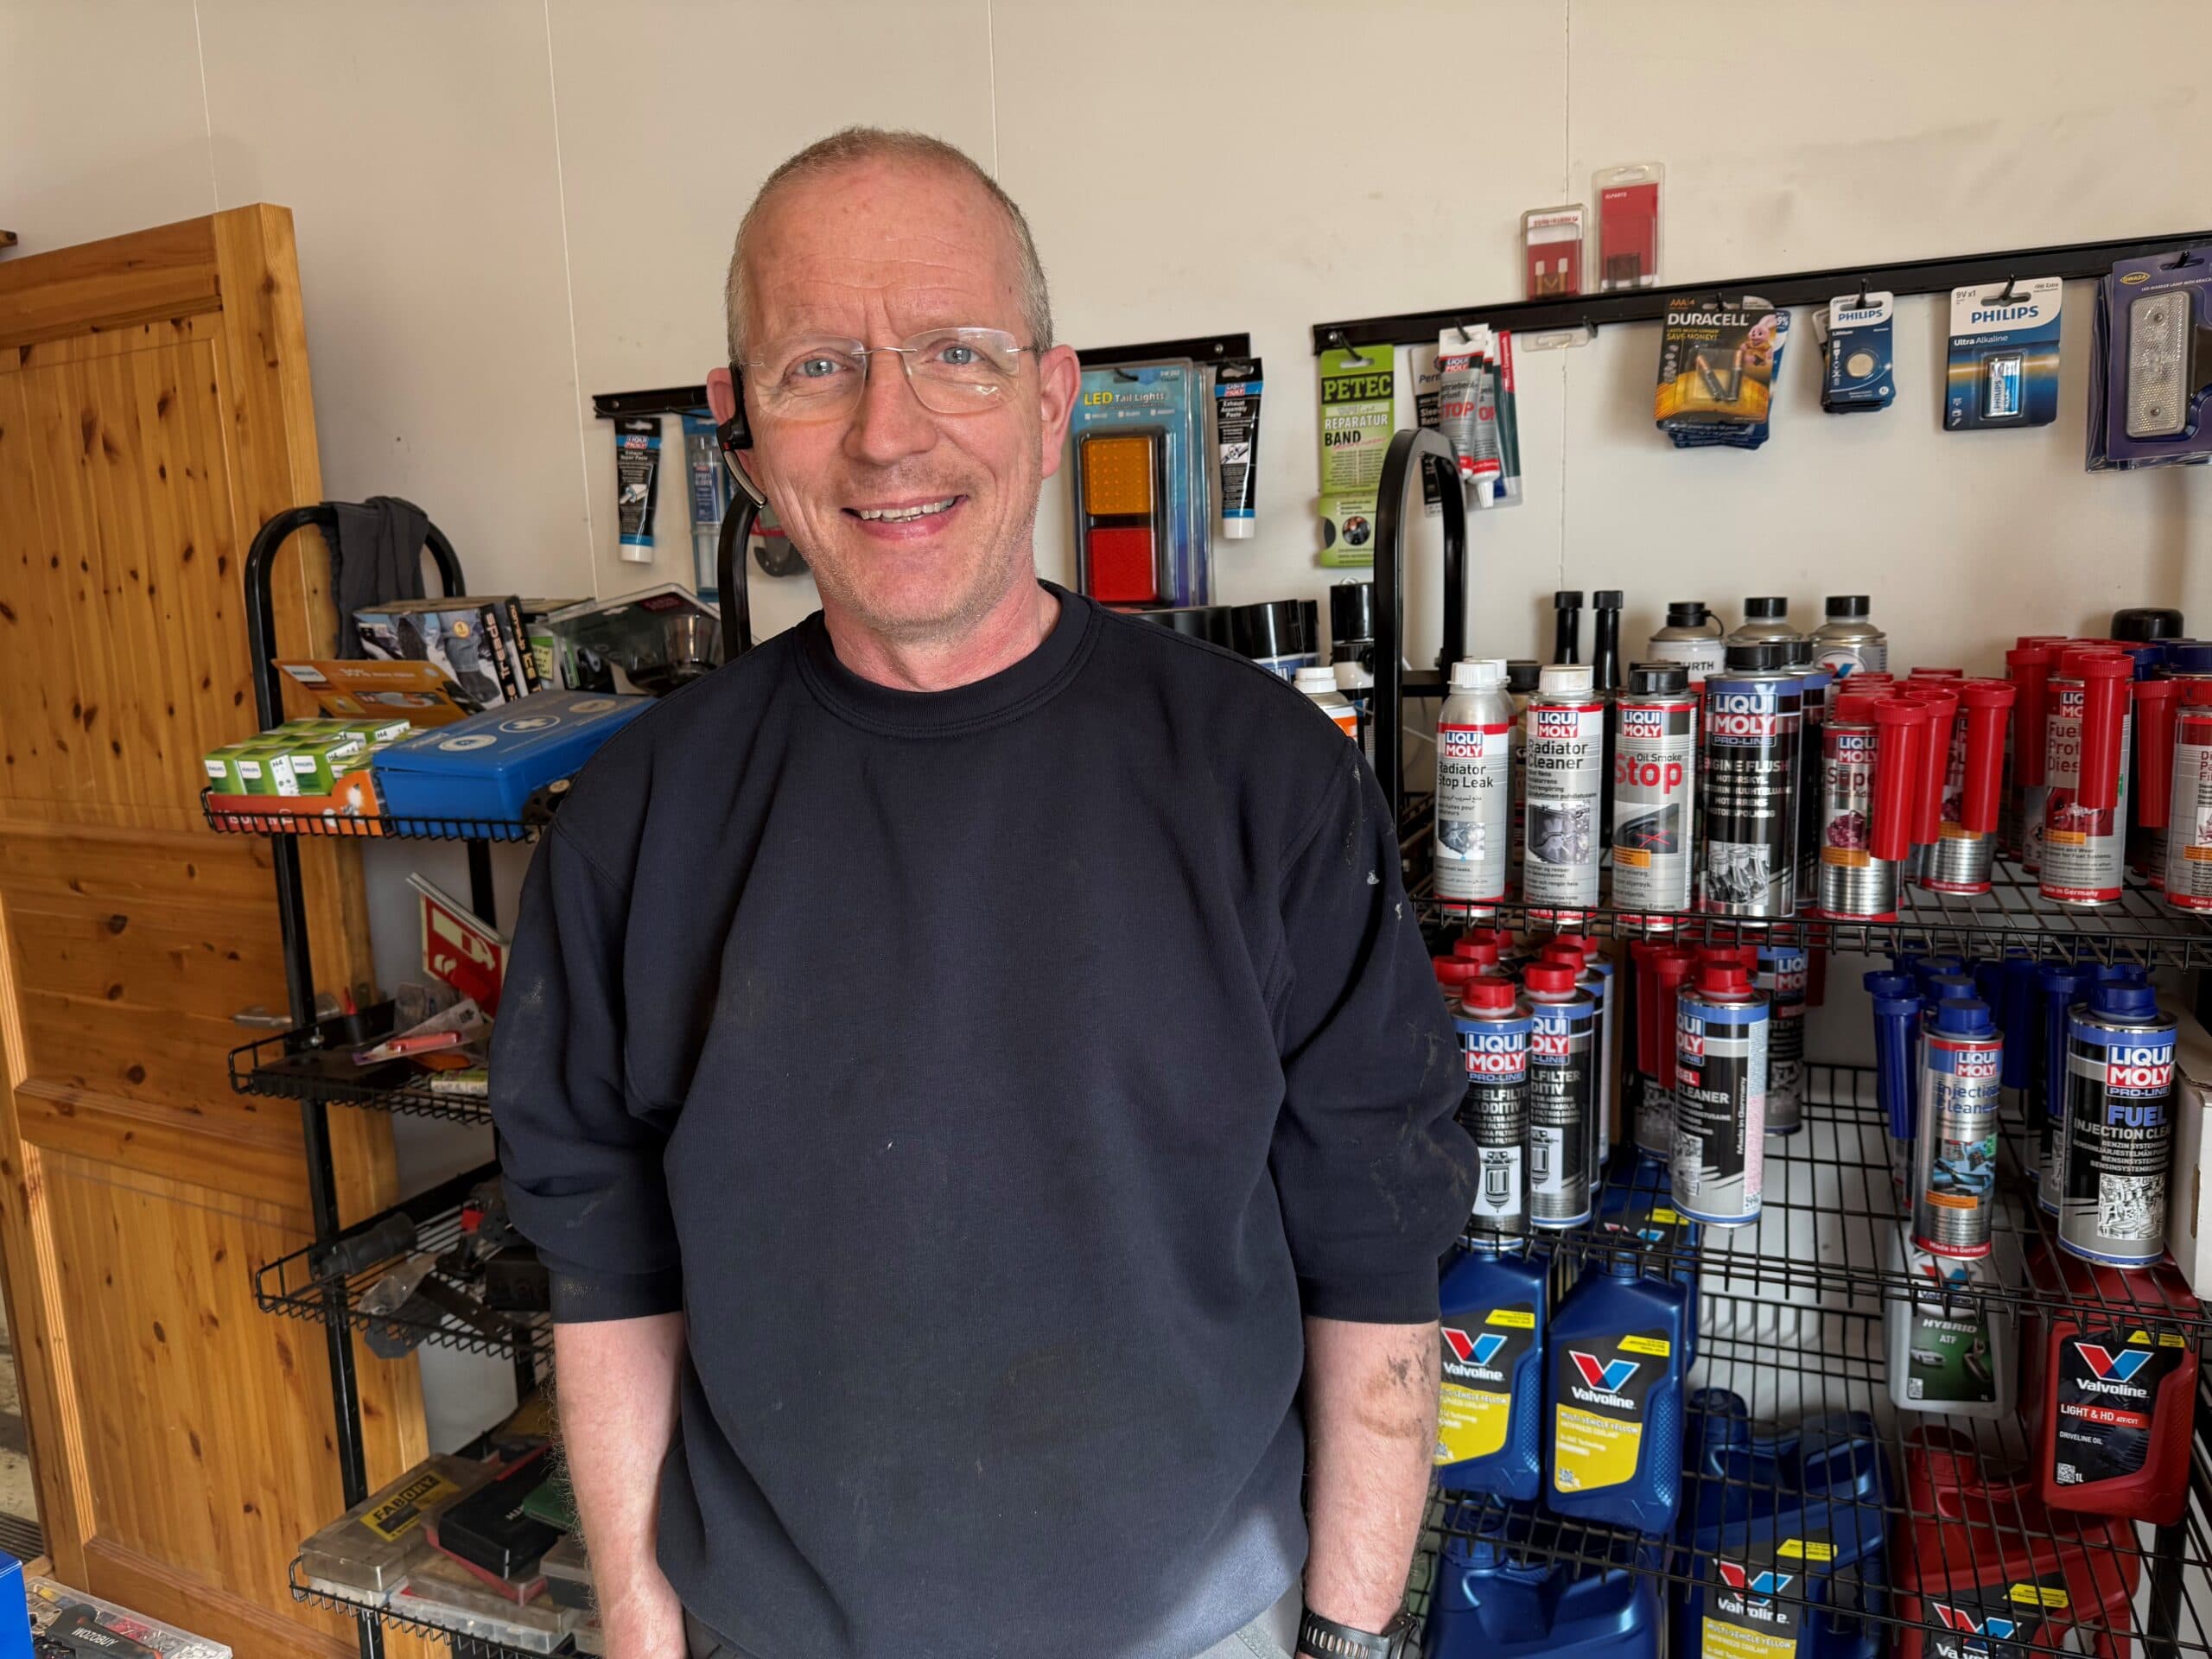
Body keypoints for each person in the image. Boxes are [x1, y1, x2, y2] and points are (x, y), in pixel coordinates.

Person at [491, 126, 1475, 1659]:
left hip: (1202, 1627)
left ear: (1052, 398)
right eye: (818, 367)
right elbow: (606, 1269)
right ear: (737, 429)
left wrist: (1349, 1639)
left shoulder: (1268, 780)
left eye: (955, 353)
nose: (888, 435)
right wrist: (636, 1623)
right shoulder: (636, 821)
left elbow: (1376, 1247)